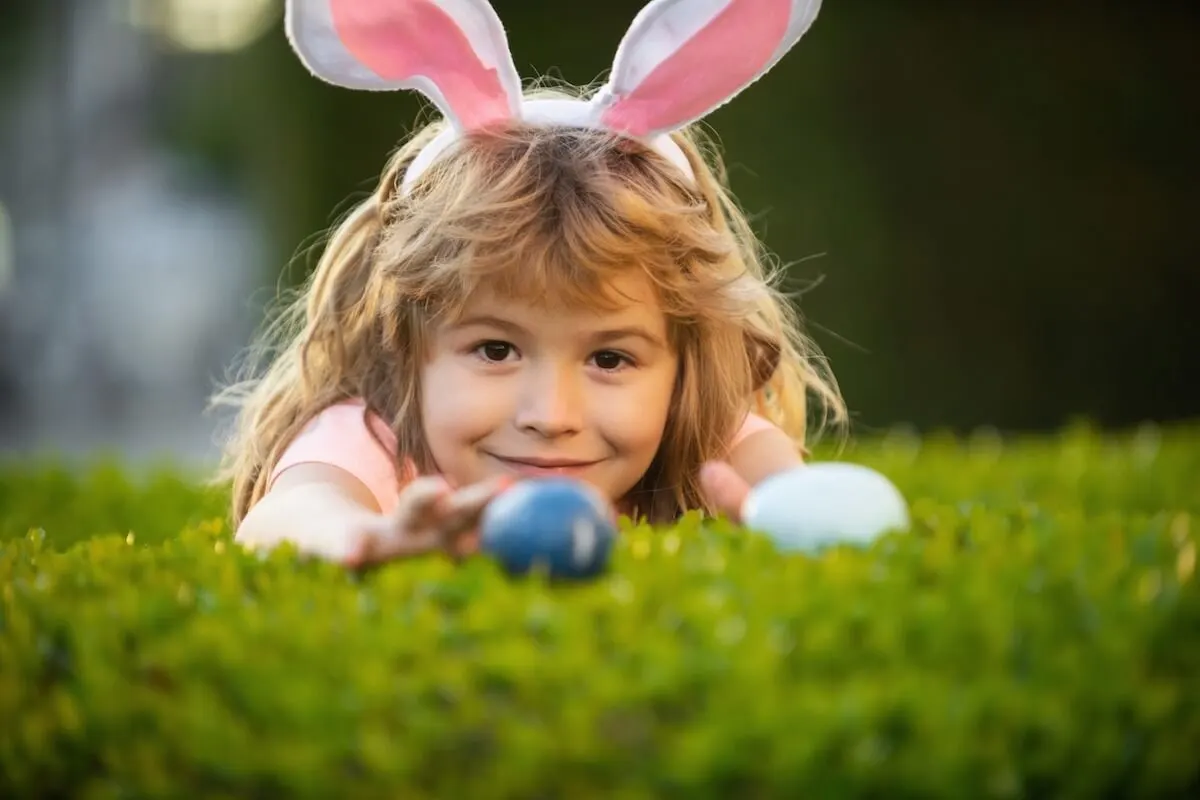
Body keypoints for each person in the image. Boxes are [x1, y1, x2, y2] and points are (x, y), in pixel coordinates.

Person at [212, 0, 848, 567]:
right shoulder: (376, 436)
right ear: (405, 340)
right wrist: (368, 541)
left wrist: (784, 521)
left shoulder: (704, 432)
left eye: (610, 357)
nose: (550, 416)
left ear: (685, 362)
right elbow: (291, 518)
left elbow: (808, 509)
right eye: (495, 350)